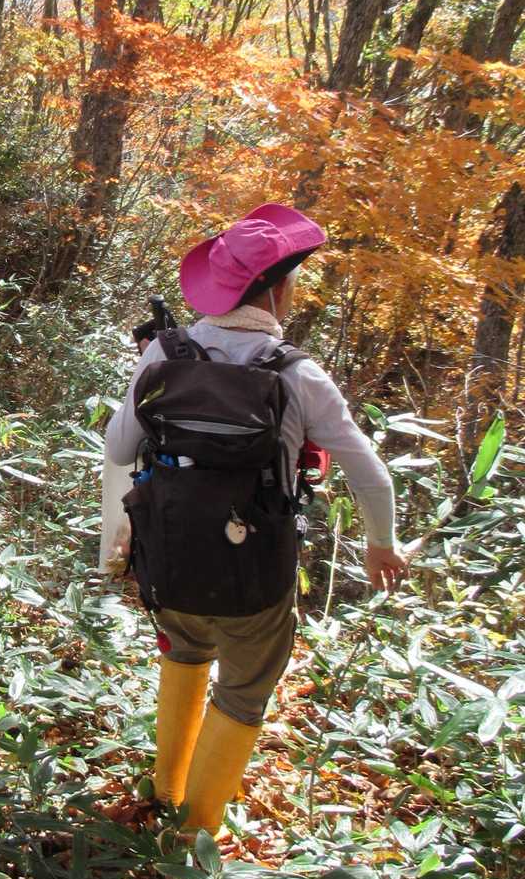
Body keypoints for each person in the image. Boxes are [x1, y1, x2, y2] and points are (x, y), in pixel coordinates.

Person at [101, 203, 408, 835]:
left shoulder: (163, 352)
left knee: (185, 653)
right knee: (242, 692)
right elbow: (371, 475)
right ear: (279, 290)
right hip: (256, 571)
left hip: (169, 558)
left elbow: (118, 449)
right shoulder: (297, 374)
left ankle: (166, 791)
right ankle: (192, 836)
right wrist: (382, 544)